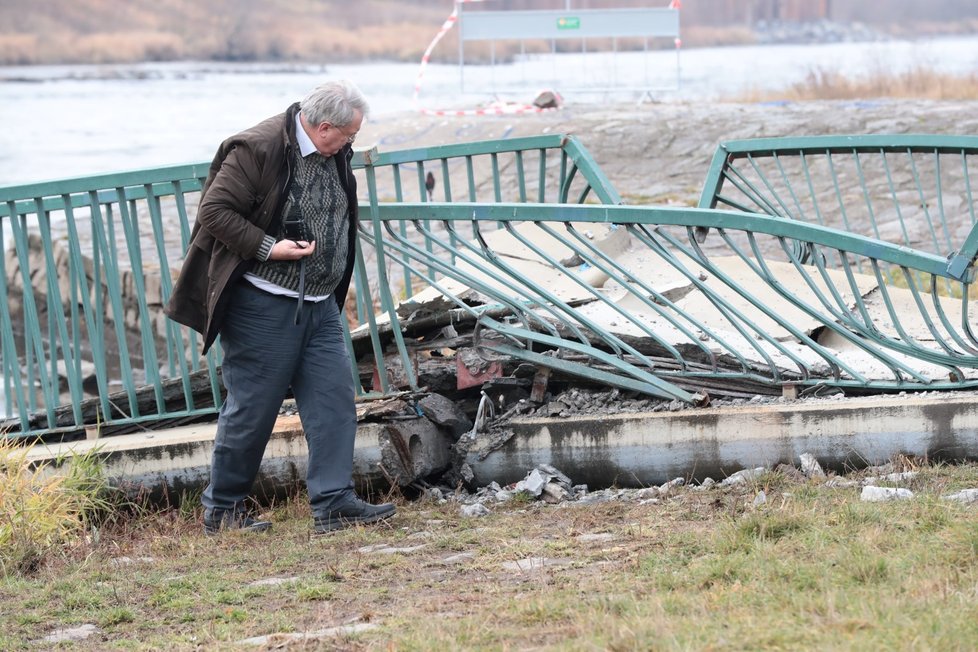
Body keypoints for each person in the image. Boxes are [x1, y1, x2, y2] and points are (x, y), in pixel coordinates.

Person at [165, 80, 395, 536]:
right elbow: (215, 212)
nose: (352, 144)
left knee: (333, 402)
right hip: (262, 304)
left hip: (319, 303)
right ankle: (223, 511)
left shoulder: (333, 149)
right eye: (349, 136)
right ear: (323, 125)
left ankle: (333, 503)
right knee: (253, 409)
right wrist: (271, 248)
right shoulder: (259, 147)